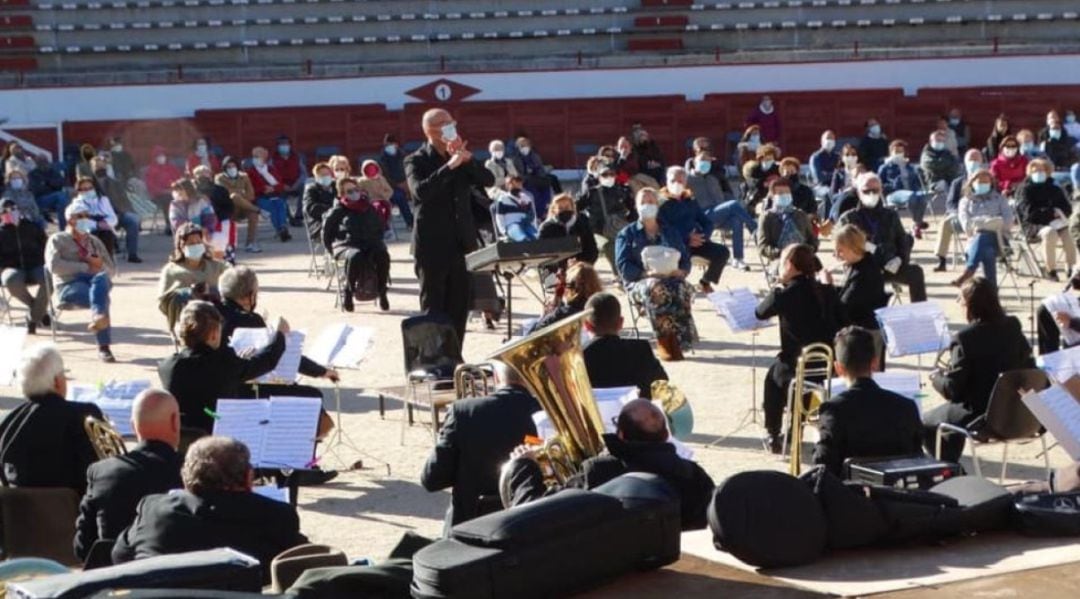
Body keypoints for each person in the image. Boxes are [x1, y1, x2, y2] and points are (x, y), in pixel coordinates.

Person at [112, 436, 307, 581]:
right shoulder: (277, 515)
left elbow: (119, 555)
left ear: (185, 476)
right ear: (249, 477)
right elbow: (299, 568)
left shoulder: (153, 508)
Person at [504, 398, 715, 531]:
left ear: (620, 434)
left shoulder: (600, 470)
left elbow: (529, 513)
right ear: (666, 433)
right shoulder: (694, 475)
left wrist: (524, 465)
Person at [405, 108, 495, 350]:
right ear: (430, 131)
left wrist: (467, 160)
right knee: (434, 307)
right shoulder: (416, 160)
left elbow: (488, 180)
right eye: (444, 124)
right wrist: (449, 167)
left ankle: (455, 357)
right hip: (432, 245)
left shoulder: (460, 156)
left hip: (462, 243)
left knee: (459, 306)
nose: (450, 126)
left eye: (452, 122)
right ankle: (435, 360)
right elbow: (420, 192)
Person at [420, 362, 541, 532]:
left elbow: (431, 479)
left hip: (469, 527)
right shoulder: (546, 411)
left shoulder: (462, 411)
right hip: (528, 525)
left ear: (497, 378)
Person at [924, 278, 1033, 462]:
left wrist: (936, 377)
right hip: (1016, 413)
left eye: (960, 300)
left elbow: (953, 390)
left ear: (969, 305)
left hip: (982, 416)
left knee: (927, 422)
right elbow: (1027, 364)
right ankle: (952, 469)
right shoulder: (1013, 326)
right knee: (950, 417)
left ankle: (951, 471)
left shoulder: (965, 338)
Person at [74, 389, 183, 563]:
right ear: (175, 422)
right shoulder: (190, 472)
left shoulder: (101, 471)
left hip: (114, 578)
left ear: (133, 426)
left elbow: (83, 547)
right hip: (173, 578)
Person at [756, 244, 846, 453]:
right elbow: (843, 320)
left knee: (772, 378)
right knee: (796, 378)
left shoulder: (784, 294)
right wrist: (830, 288)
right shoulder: (825, 290)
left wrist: (778, 285)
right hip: (827, 364)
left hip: (796, 363)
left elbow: (760, 312)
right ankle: (794, 426)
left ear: (789, 265)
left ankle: (773, 432)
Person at [158, 300, 286, 434]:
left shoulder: (167, 366)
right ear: (213, 335)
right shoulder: (225, 364)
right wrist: (280, 335)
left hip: (179, 435)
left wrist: (238, 362)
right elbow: (267, 361)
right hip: (215, 431)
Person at [812, 326, 923, 476]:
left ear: (838, 369)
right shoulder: (907, 407)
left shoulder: (833, 410)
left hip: (850, 496)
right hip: (897, 496)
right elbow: (917, 460)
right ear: (875, 363)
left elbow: (822, 466)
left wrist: (818, 439)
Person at [0, 343, 102, 493]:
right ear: (57, 381)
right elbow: (103, 468)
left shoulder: (6, 421)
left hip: (19, 514)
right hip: (75, 510)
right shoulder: (85, 414)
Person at [615, 188, 697, 361]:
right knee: (656, 287)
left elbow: (685, 258)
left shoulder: (670, 231)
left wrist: (682, 271)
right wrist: (646, 274)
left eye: (652, 201)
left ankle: (681, 340)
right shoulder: (626, 235)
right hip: (640, 282)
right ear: (636, 206)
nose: (648, 205)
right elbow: (623, 267)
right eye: (643, 202)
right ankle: (665, 341)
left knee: (683, 287)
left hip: (670, 278)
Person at [46, 199, 117, 362]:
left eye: (87, 215)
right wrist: (85, 267)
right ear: (71, 219)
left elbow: (111, 269)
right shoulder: (57, 240)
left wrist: (99, 265)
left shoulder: (94, 241)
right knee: (102, 298)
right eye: (80, 216)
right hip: (69, 284)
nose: (85, 219)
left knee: (101, 281)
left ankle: (99, 319)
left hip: (95, 281)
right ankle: (104, 346)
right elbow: (54, 266)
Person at [838, 173, 927, 303]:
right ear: (858, 192)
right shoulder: (848, 218)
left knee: (916, 272)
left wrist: (900, 259)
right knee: (867, 282)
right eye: (866, 191)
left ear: (881, 191)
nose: (871, 194)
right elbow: (843, 248)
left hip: (890, 266)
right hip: (862, 270)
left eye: (875, 190)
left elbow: (902, 240)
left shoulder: (891, 215)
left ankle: (920, 313)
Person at [581, 292, 668, 399]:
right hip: (638, 412)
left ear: (587, 326)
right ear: (621, 322)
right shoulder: (641, 349)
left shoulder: (581, 357)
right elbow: (662, 384)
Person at [322, 178, 392, 312]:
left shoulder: (368, 207)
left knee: (382, 254)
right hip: (345, 244)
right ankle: (349, 291)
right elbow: (327, 233)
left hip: (369, 242)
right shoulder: (338, 210)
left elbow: (379, 227)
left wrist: (377, 241)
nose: (354, 193)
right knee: (356, 256)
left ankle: (382, 291)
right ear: (342, 194)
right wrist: (331, 250)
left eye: (356, 190)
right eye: (349, 191)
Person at [659, 166, 729, 294]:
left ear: (685, 183)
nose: (677, 184)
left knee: (722, 252)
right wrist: (686, 238)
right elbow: (664, 229)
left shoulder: (690, 200)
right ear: (666, 181)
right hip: (675, 245)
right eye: (673, 181)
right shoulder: (661, 203)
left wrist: (702, 236)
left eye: (680, 181)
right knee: (681, 261)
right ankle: (676, 289)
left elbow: (706, 221)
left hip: (696, 241)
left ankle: (705, 282)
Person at [826, 225, 888, 368]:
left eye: (840, 250)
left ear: (853, 248)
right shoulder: (857, 264)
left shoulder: (864, 272)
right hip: (861, 326)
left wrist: (827, 286)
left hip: (867, 334)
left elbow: (844, 307)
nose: (836, 255)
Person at [687, 153, 755, 271]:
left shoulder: (712, 179)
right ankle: (755, 230)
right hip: (701, 217)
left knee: (736, 220)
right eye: (703, 160)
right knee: (733, 204)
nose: (706, 163)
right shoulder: (688, 179)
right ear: (694, 162)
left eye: (708, 161)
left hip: (717, 214)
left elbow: (720, 200)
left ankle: (738, 258)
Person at [157, 223, 227, 334]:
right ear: (181, 246)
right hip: (188, 327)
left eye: (199, 242)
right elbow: (163, 303)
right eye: (191, 243)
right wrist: (188, 293)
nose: (195, 246)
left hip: (218, 323)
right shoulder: (171, 271)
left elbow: (234, 282)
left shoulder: (217, 266)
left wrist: (212, 292)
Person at [1015, 158, 1075, 281]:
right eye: (1035, 170)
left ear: (1048, 172)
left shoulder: (1055, 189)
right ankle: (1050, 270)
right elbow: (1029, 213)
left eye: (1042, 170)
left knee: (1069, 234)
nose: (1039, 173)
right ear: (1029, 172)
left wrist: (1059, 213)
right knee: (1049, 233)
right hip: (1033, 225)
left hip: (1057, 223)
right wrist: (1051, 213)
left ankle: (1071, 268)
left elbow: (1067, 209)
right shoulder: (1025, 190)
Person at [934, 149, 986, 272]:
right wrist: (960, 214)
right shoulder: (957, 182)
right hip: (961, 216)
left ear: (982, 162)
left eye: (976, 160)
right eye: (970, 160)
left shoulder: (988, 181)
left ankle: (974, 257)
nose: (973, 162)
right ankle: (941, 260)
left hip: (982, 216)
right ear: (965, 162)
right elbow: (950, 203)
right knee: (945, 223)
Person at [0, 199, 48, 332]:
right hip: (12, 268)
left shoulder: (32, 226)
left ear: (18, 210)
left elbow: (46, 246)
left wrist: (45, 261)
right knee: (11, 280)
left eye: (13, 209)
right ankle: (39, 311)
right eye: (5, 211)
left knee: (48, 278)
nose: (10, 212)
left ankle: (33, 317)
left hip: (35, 265)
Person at [577, 164, 631, 272]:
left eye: (612, 174)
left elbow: (632, 209)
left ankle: (623, 273)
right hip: (599, 230)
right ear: (599, 177)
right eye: (605, 174)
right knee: (608, 247)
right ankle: (618, 273)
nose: (609, 176)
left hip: (618, 228)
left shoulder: (622, 191)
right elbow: (577, 206)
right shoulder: (592, 193)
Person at [525, 262, 602, 334]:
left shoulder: (561, 314)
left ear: (570, 287)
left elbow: (531, 336)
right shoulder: (602, 309)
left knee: (529, 325)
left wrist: (544, 316)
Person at [758, 178, 817, 262]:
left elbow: (813, 240)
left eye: (787, 193)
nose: (785, 195)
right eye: (781, 193)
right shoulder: (767, 217)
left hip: (803, 259)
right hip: (779, 260)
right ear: (772, 196)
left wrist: (807, 251)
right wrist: (782, 253)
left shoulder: (800, 214)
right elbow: (763, 247)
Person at [881, 139, 931, 239]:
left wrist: (921, 177)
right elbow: (880, 183)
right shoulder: (885, 167)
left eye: (901, 151)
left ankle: (916, 225)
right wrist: (891, 184)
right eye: (896, 151)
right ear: (891, 152)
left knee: (922, 195)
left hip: (912, 192)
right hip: (894, 193)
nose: (898, 154)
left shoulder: (910, 167)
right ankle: (918, 222)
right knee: (912, 195)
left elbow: (918, 181)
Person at [538, 192, 599, 271]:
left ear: (572, 207)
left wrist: (580, 263)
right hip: (554, 269)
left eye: (567, 207)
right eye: (560, 208)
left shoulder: (582, 224)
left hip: (580, 267)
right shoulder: (546, 227)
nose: (564, 210)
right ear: (554, 210)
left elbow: (592, 250)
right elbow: (542, 254)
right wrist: (561, 266)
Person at [216, 155, 261, 253]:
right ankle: (258, 209)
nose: (232, 169)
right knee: (234, 197)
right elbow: (226, 193)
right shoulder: (219, 178)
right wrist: (240, 193)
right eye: (229, 167)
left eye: (233, 166)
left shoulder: (244, 176)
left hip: (244, 207)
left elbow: (251, 195)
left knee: (253, 215)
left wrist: (239, 195)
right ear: (224, 168)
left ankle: (250, 244)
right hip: (229, 209)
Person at [246, 146, 291, 242]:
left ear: (264, 157)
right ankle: (281, 230)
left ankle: (282, 227)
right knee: (272, 208)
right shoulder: (250, 172)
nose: (256, 159)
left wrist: (273, 188)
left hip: (275, 195)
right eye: (254, 156)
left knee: (281, 205)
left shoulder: (271, 169)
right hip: (260, 197)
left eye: (259, 156)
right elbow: (250, 187)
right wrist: (263, 189)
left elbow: (280, 184)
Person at [193, 165, 235, 263]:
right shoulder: (192, 190)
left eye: (206, 173)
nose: (204, 176)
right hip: (198, 218)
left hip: (220, 217)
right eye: (200, 174)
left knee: (227, 223)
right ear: (195, 176)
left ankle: (227, 256)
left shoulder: (220, 190)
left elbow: (229, 207)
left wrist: (219, 216)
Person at [73, 175, 120, 257]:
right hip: (87, 233)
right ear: (79, 191)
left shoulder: (103, 200)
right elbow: (81, 223)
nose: (88, 191)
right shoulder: (77, 204)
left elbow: (113, 218)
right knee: (94, 235)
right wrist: (97, 225)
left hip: (105, 229)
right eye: (85, 189)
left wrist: (105, 223)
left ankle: (107, 262)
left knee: (107, 233)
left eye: (90, 188)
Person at [513, 136, 554, 217]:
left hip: (537, 178)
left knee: (546, 187)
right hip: (526, 181)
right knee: (534, 192)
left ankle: (547, 209)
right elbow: (518, 174)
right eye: (522, 146)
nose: (524, 148)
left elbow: (540, 169)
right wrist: (527, 177)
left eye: (526, 145)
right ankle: (540, 213)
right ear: (518, 148)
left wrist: (540, 175)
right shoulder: (516, 159)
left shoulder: (535, 156)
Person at [379, 134, 414, 229]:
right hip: (390, 188)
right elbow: (384, 177)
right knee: (400, 197)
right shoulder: (382, 159)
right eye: (387, 145)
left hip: (406, 184)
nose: (390, 147)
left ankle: (414, 222)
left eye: (392, 144)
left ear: (396, 144)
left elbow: (410, 170)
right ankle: (410, 222)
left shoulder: (403, 155)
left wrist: (408, 182)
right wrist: (398, 185)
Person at [144, 146, 183, 233]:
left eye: (163, 156)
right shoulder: (151, 170)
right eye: (159, 156)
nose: (161, 158)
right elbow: (151, 186)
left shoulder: (171, 167)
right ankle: (169, 225)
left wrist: (177, 189)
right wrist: (164, 191)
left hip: (174, 191)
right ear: (155, 158)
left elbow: (179, 180)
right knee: (168, 199)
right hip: (158, 195)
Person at [270, 134, 305, 226]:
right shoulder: (273, 160)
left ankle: (299, 215)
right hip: (282, 186)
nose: (284, 146)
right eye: (281, 144)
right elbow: (271, 177)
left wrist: (296, 185)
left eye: (286, 144)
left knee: (306, 188)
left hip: (295, 184)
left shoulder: (296, 158)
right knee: (277, 192)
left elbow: (303, 173)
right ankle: (289, 217)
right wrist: (282, 185)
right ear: (277, 146)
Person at [492, 174, 538, 242]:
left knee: (536, 238)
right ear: (507, 185)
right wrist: (504, 231)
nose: (516, 186)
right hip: (512, 226)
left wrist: (533, 225)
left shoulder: (526, 198)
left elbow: (532, 215)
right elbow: (499, 217)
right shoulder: (503, 199)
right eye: (513, 184)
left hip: (526, 224)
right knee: (523, 238)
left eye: (518, 184)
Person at [29, 154, 69, 222]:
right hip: (40, 200)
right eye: (41, 162)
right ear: (37, 163)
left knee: (64, 197)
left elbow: (61, 183)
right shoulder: (33, 174)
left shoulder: (53, 171)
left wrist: (47, 182)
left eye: (45, 161)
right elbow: (36, 190)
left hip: (55, 196)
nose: (43, 164)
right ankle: (63, 225)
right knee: (60, 195)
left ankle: (65, 223)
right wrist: (52, 185)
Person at [302, 161, 336, 242]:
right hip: (319, 224)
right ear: (316, 177)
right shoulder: (311, 190)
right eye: (322, 175)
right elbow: (311, 208)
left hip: (339, 220)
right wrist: (333, 210)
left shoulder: (337, 187)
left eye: (328, 174)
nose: (326, 177)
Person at [741, 143, 780, 213]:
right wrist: (763, 183)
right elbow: (751, 183)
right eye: (766, 158)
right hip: (757, 195)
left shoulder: (778, 169)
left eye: (770, 158)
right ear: (761, 158)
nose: (768, 160)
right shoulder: (754, 169)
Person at [809, 130, 840, 198]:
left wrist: (828, 174)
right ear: (822, 141)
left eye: (832, 139)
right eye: (828, 138)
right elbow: (819, 177)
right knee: (828, 193)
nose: (830, 141)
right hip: (821, 187)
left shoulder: (837, 156)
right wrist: (835, 174)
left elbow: (842, 173)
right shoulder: (816, 157)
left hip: (837, 186)